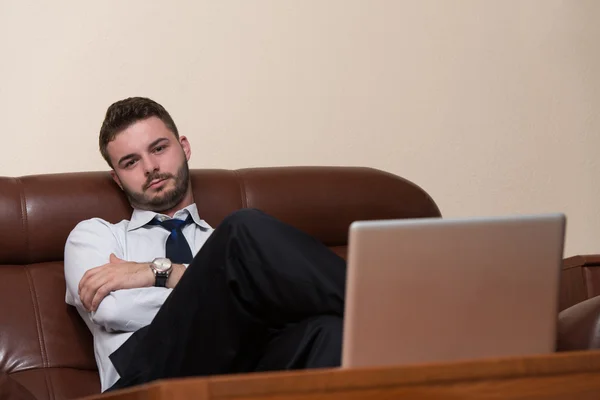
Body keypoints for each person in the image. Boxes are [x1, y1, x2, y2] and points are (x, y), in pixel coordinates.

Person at [64, 97, 347, 392]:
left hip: (239, 375)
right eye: (130, 162)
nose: (150, 167)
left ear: (184, 148)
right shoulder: (97, 235)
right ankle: (390, 316)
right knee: (242, 227)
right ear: (118, 179)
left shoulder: (229, 248)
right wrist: (233, 294)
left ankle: (380, 324)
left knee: (329, 332)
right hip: (145, 386)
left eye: (159, 148)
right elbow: (113, 310)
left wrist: (161, 273)